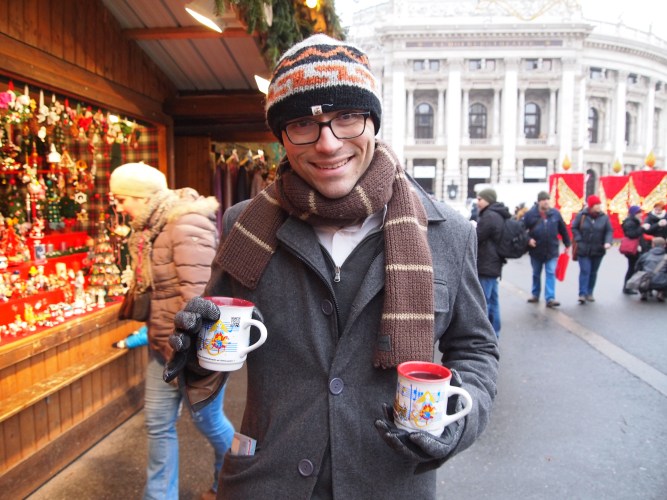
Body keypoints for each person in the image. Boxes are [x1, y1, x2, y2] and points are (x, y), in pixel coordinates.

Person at [163, 34, 499, 499]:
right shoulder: (246, 225)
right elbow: (215, 348)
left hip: (390, 483)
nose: (327, 143)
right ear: (282, 136)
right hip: (268, 483)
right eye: (302, 123)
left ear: (372, 122)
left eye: (347, 117)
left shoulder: (448, 233)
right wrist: (197, 354)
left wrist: (459, 419)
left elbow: (476, 349)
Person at [109, 162, 234, 500]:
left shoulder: (186, 223)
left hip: (193, 352)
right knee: (158, 424)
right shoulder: (151, 229)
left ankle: (233, 480)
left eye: (121, 199)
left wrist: (188, 353)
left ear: (141, 196)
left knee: (208, 421)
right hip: (162, 346)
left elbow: (199, 297)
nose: (119, 207)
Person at [522, 191, 571, 307]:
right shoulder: (530, 214)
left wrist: (567, 243)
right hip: (536, 250)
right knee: (536, 274)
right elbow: (521, 229)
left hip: (552, 250)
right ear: (539, 201)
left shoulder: (555, 214)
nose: (546, 202)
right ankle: (535, 294)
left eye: (548, 199)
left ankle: (550, 298)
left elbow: (563, 229)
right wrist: (528, 239)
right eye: (544, 200)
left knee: (550, 272)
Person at [475, 188, 510, 335]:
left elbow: (477, 236)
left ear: (488, 199)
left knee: (484, 301)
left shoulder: (489, 216)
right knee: (494, 301)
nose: (477, 202)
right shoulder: (498, 214)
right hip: (495, 262)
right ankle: (495, 333)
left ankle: (486, 335)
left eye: (480, 199)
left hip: (487, 262)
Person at [571, 194, 613, 304]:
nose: (599, 206)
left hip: (598, 249)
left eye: (599, 204)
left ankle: (590, 292)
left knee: (593, 272)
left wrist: (608, 242)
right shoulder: (582, 215)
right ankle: (582, 294)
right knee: (585, 271)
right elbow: (574, 227)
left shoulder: (604, 217)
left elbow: (609, 231)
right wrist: (579, 240)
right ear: (591, 206)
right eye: (596, 204)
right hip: (583, 248)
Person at [620, 205, 646, 295]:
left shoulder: (634, 221)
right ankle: (627, 287)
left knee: (634, 267)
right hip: (633, 249)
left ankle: (629, 286)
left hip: (636, 248)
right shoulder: (629, 222)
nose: (641, 214)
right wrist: (642, 228)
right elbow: (631, 234)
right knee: (632, 268)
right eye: (639, 213)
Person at [635, 236, 667, 302]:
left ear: (653, 245)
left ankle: (644, 292)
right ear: (664, 246)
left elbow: (637, 268)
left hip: (646, 281)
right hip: (662, 282)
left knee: (642, 274)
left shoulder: (645, 255)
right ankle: (661, 293)